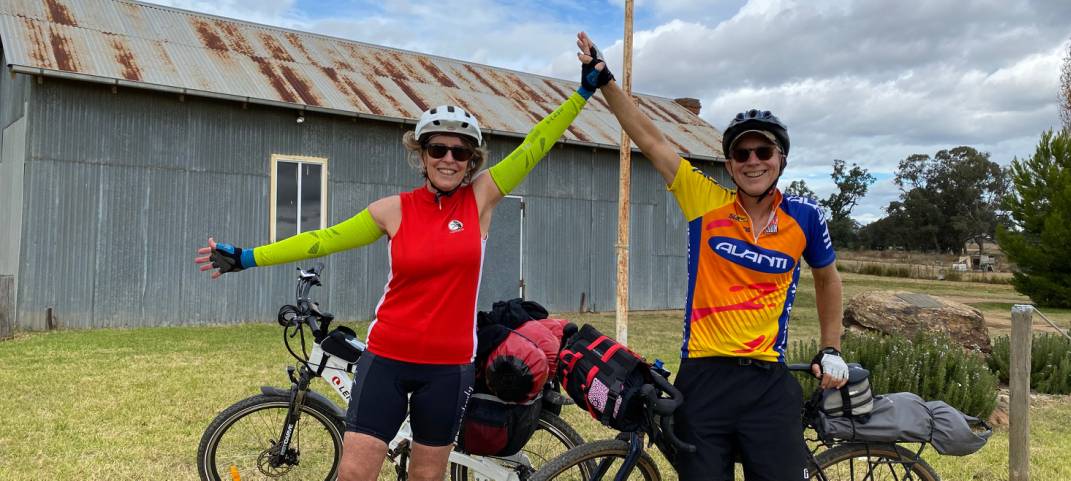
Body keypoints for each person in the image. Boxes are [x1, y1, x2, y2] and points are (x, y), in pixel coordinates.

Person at [193, 58, 606, 481]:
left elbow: (535, 145)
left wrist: (582, 94)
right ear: (422, 155)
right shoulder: (393, 210)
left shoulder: (480, 199)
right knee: (355, 472)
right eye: (437, 149)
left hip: (449, 367)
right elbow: (321, 239)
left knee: (426, 477)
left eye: (460, 152)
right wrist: (246, 257)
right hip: (387, 358)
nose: (448, 158)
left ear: (471, 160)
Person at [575, 32, 849, 481]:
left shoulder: (805, 218)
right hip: (703, 379)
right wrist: (605, 81)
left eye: (764, 151)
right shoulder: (706, 203)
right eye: (742, 153)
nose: (753, 160)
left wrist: (831, 346)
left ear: (781, 159)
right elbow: (650, 139)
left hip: (767, 380)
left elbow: (828, 278)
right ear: (729, 163)